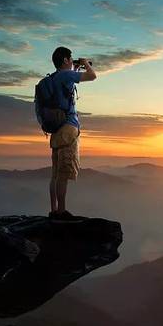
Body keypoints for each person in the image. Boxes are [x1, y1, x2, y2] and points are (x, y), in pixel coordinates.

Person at [48, 46, 96, 220]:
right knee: (64, 173)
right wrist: (85, 64)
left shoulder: (53, 78)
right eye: (71, 59)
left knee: (55, 173)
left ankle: (54, 210)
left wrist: (74, 68)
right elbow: (92, 76)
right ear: (65, 60)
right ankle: (61, 212)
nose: (72, 61)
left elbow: (67, 86)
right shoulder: (65, 75)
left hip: (56, 130)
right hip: (68, 128)